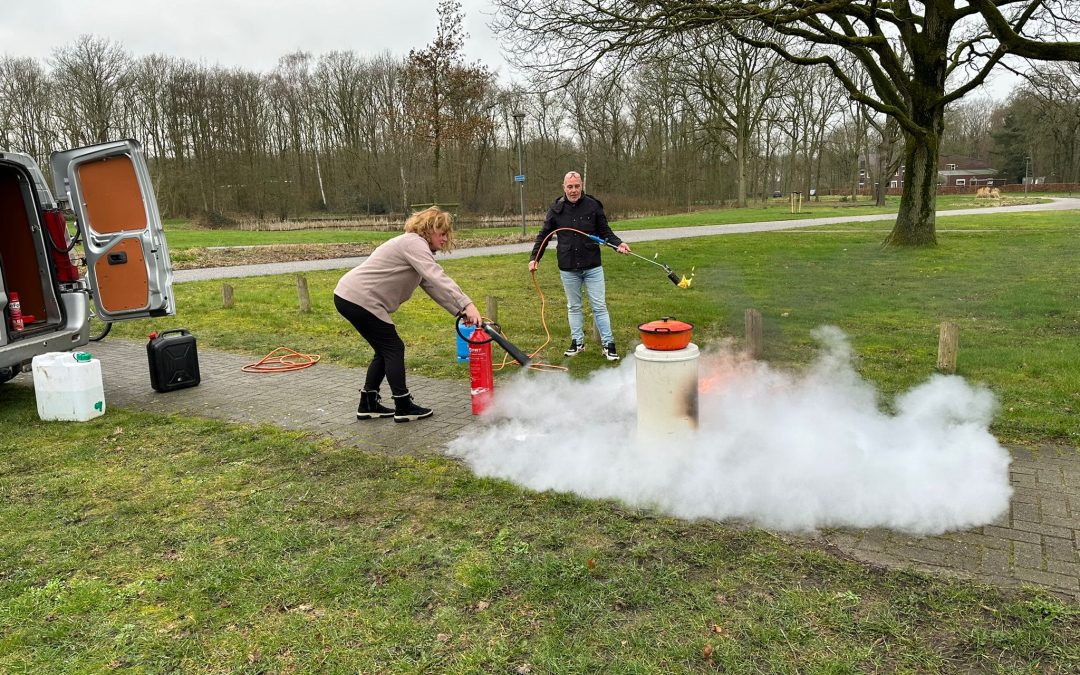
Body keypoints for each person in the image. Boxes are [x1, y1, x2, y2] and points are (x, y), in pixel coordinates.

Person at [334, 206, 482, 422]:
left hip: (350, 296)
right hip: (360, 298)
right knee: (393, 348)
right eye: (442, 233)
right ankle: (403, 406)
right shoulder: (413, 243)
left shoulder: (413, 246)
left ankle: (368, 403)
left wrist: (459, 312)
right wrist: (468, 304)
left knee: (384, 350)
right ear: (429, 229)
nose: (445, 239)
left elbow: (432, 286)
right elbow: (437, 276)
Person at [528, 171, 631, 361]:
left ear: (581, 185)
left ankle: (609, 345)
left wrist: (619, 244)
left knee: (599, 306)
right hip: (568, 267)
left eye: (576, 186)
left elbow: (605, 231)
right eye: (570, 186)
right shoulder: (555, 209)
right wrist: (535, 258)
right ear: (564, 187)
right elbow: (544, 236)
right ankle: (578, 342)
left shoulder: (593, 205)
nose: (573, 190)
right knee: (573, 306)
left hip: (592, 266)